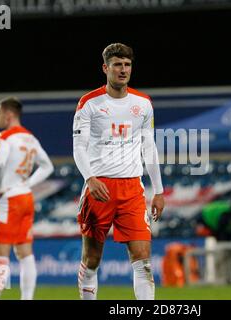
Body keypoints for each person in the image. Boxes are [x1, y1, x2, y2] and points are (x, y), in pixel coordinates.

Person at [72, 43, 165, 300]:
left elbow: (149, 146)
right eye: (117, 65)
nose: (123, 70)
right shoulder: (89, 103)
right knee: (91, 260)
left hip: (132, 189)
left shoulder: (143, 103)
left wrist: (158, 190)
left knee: (143, 261)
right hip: (99, 187)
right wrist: (89, 179)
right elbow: (78, 147)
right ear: (106, 68)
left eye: (127, 65)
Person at [0, 97, 54, 300]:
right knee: (25, 253)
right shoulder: (30, 138)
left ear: (9, 115)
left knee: (0, 255)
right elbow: (48, 166)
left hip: (10, 199)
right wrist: (28, 184)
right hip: (26, 197)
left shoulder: (5, 137)